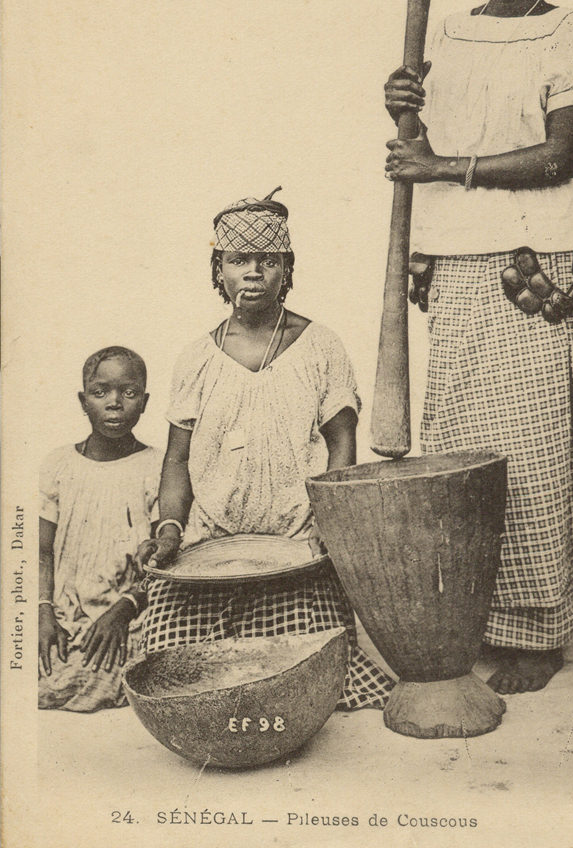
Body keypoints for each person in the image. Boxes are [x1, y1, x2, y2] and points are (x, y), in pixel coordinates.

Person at [383, 0, 573, 694]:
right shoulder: (445, 31)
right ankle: (474, 618)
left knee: (535, 447)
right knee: (461, 445)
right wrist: (404, 109)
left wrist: (441, 167)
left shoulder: (568, 30)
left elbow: (561, 157)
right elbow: (420, 147)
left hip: (533, 256)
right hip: (453, 255)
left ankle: (540, 629)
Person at [136, 190, 393, 710]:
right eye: (238, 261)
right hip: (211, 547)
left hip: (295, 545)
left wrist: (328, 524)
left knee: (305, 664)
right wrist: (169, 530)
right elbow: (176, 459)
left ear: (286, 269)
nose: (252, 273)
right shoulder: (196, 358)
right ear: (219, 270)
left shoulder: (320, 345)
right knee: (172, 663)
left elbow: (342, 442)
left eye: (267, 260)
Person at [38, 346, 163, 711]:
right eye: (100, 392)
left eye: (128, 392)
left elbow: (166, 558)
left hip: (130, 614)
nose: (114, 403)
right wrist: (43, 612)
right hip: (65, 614)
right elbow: (41, 552)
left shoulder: (155, 466)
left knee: (118, 673)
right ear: (83, 400)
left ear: (144, 401)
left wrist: (124, 609)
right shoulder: (58, 464)